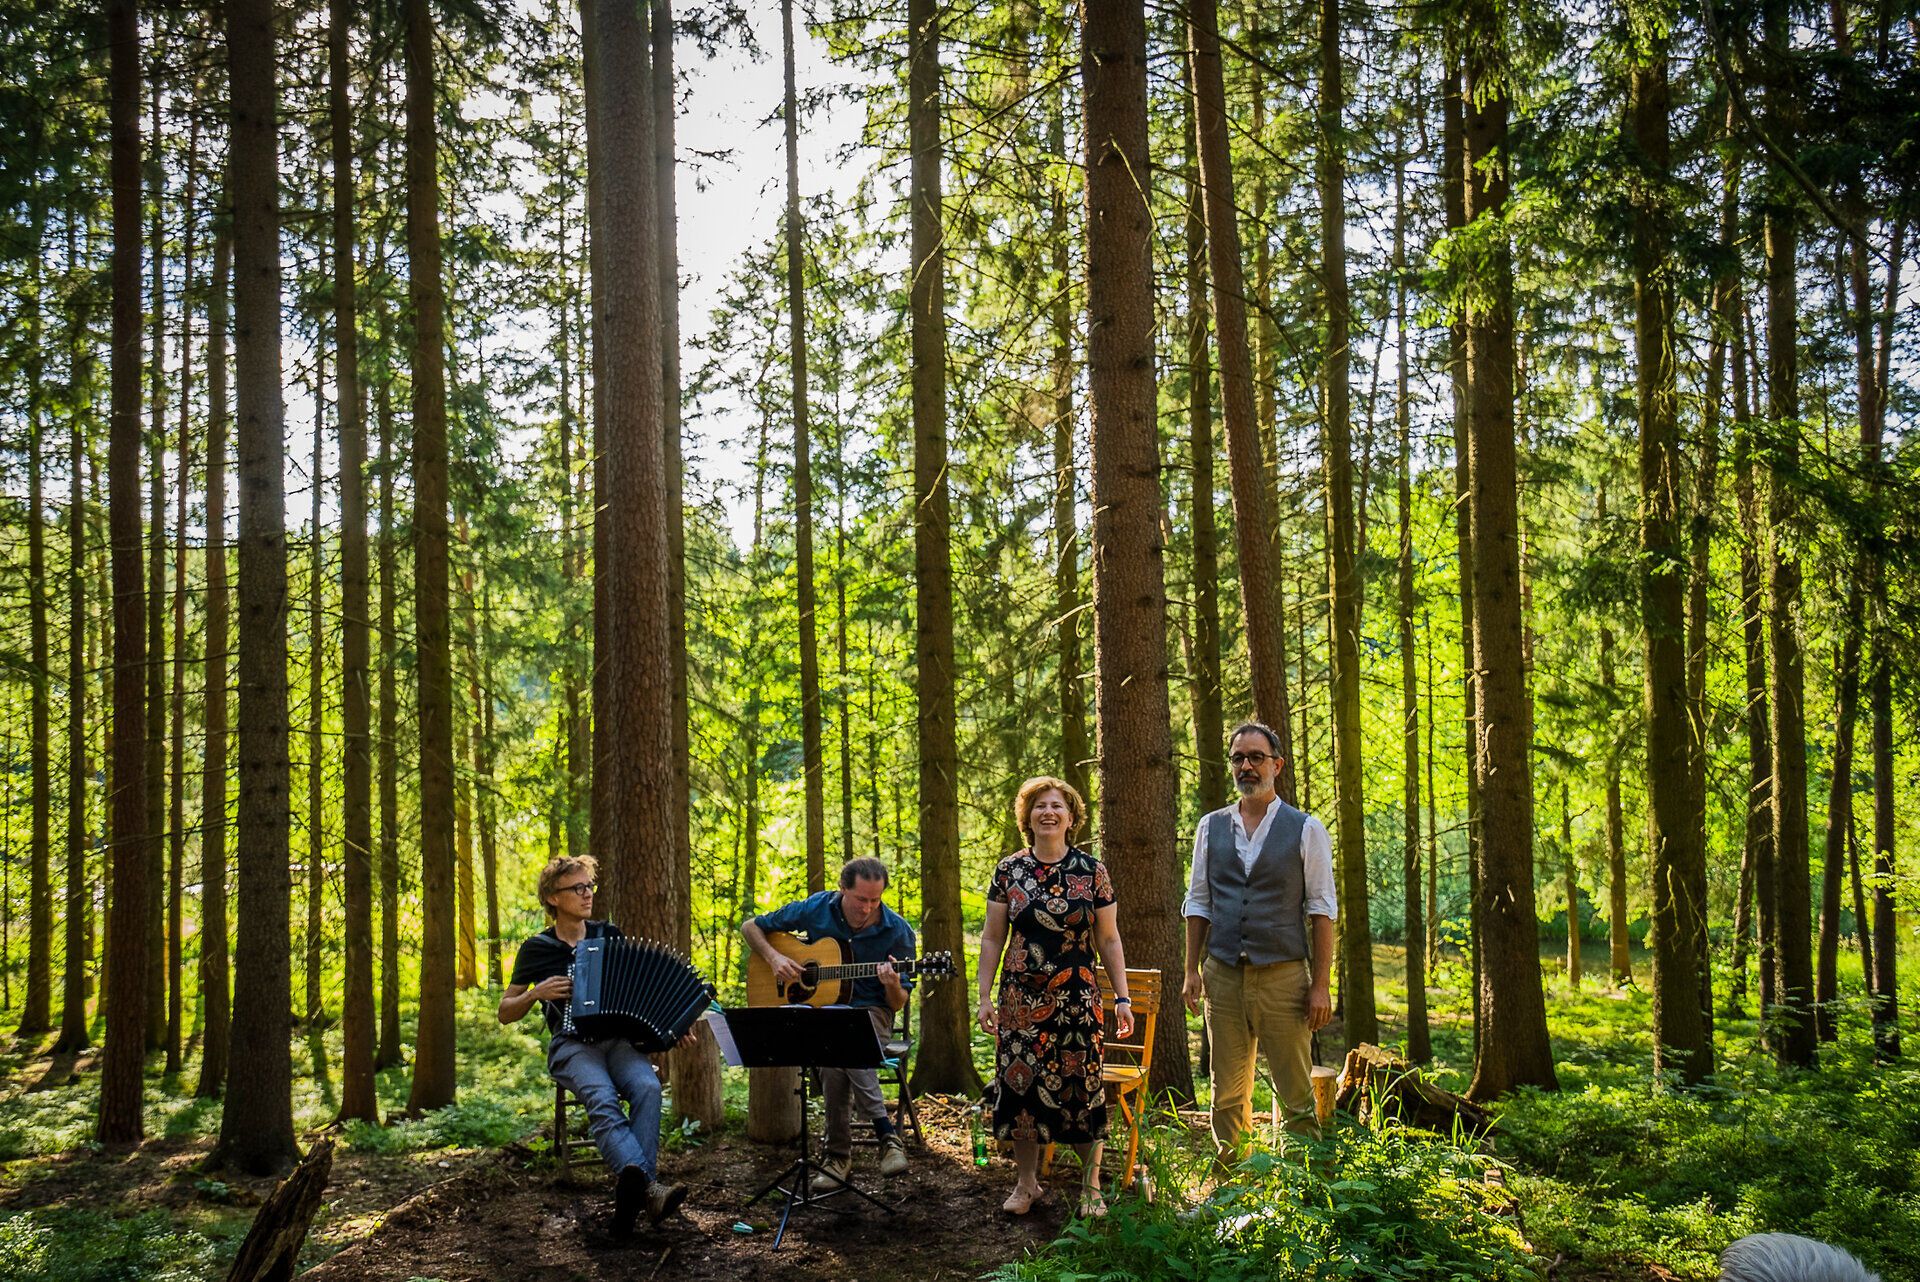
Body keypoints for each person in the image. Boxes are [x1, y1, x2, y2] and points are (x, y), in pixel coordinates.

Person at [498, 855, 695, 1236]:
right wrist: (535, 993)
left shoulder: (609, 935)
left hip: (618, 1041)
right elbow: (506, 1011)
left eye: (590, 886)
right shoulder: (537, 949)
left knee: (648, 1088)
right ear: (553, 898)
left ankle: (632, 1201)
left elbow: (643, 993)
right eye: (578, 888)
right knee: (602, 1098)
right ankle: (648, 1190)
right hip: (572, 1044)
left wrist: (675, 1025)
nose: (587, 894)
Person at [977, 776, 1132, 1218]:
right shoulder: (1009, 871)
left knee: (1082, 1091)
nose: (1048, 812)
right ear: (1027, 817)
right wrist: (984, 996)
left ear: (1071, 817)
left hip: (1078, 1001)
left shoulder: (1092, 871)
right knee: (1021, 1091)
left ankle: (1092, 1188)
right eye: (1039, 805)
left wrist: (1121, 999)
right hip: (1019, 1003)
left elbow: (1110, 939)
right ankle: (1026, 1184)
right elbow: (991, 939)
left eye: (1057, 805)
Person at [1182, 721, 1337, 1159]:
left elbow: (1322, 911)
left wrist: (1321, 984)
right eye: (1238, 758)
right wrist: (1191, 969)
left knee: (1296, 1097)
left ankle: (1303, 1197)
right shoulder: (1211, 828)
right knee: (1227, 1095)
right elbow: (1198, 903)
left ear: (1277, 765)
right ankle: (1233, 1192)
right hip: (1223, 976)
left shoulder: (1306, 829)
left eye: (1256, 757)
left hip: (1284, 977)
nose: (1246, 766)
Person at [741, 856, 916, 1191]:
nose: (867, 908)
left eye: (875, 900)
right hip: (820, 1013)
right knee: (835, 1044)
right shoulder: (818, 907)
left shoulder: (897, 931)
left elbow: (897, 1003)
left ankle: (838, 1157)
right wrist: (775, 957)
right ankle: (885, 1137)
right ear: (842, 890)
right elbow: (751, 927)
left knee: (844, 1041)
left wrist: (892, 983)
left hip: (872, 1014)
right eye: (860, 899)